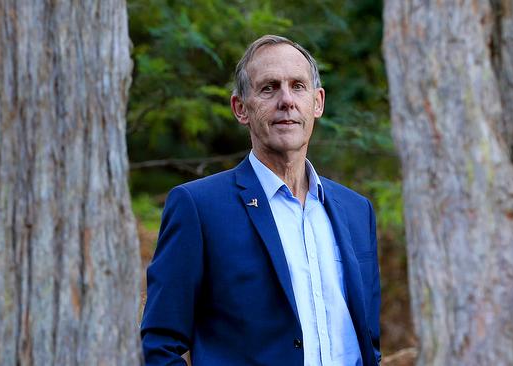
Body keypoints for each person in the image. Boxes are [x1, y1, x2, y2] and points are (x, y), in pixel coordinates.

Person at [141, 35, 381, 366]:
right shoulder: (199, 207)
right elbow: (160, 344)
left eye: (298, 86)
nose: (287, 100)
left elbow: (368, 341)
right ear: (241, 108)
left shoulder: (356, 211)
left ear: (317, 102)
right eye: (269, 88)